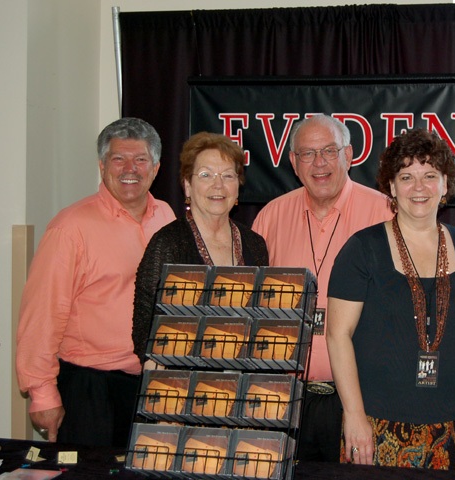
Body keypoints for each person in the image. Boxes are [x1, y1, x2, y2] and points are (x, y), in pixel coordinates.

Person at [326, 128, 455, 470]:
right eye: (406, 176)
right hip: (378, 424)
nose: (419, 187)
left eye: (430, 175)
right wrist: (354, 417)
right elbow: (337, 334)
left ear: (445, 185)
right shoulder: (362, 249)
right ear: (390, 186)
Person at [16, 117, 176, 447]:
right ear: (102, 165)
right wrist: (43, 394)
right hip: (89, 389)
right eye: (118, 158)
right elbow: (42, 315)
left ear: (156, 167)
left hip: (153, 387)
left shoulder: (167, 218)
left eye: (141, 159)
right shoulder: (70, 228)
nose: (129, 168)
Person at [251, 115, 393, 461]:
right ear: (293, 164)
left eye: (329, 151)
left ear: (349, 154)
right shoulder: (270, 218)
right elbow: (251, 314)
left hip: (361, 401)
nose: (319, 163)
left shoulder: (385, 213)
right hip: (283, 398)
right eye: (307, 154)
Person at [132, 132, 269, 363]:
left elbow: (264, 317)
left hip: (242, 381)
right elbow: (144, 328)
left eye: (227, 175)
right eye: (206, 175)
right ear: (188, 186)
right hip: (182, 385)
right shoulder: (167, 242)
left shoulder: (255, 243)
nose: (218, 185)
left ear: (238, 186)